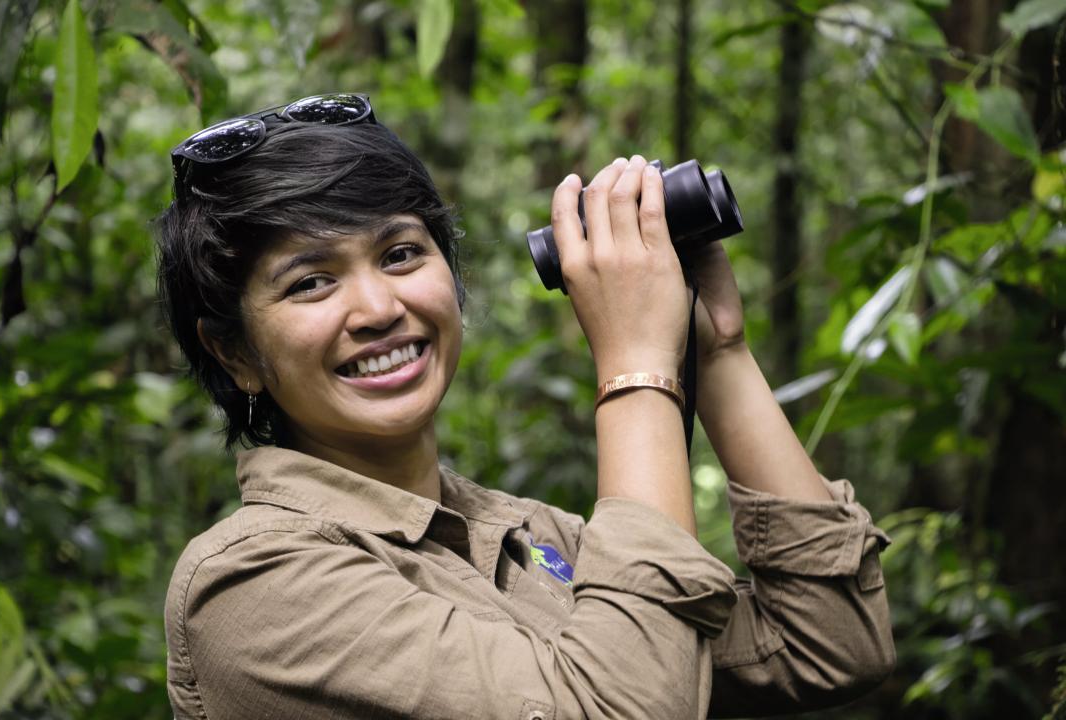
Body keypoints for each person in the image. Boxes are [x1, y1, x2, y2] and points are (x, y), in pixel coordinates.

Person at [158, 93, 895, 720]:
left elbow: (830, 642)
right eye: (310, 283)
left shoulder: (526, 537)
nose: (380, 307)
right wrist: (636, 366)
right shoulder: (252, 583)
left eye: (401, 254)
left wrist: (718, 349)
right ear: (235, 353)